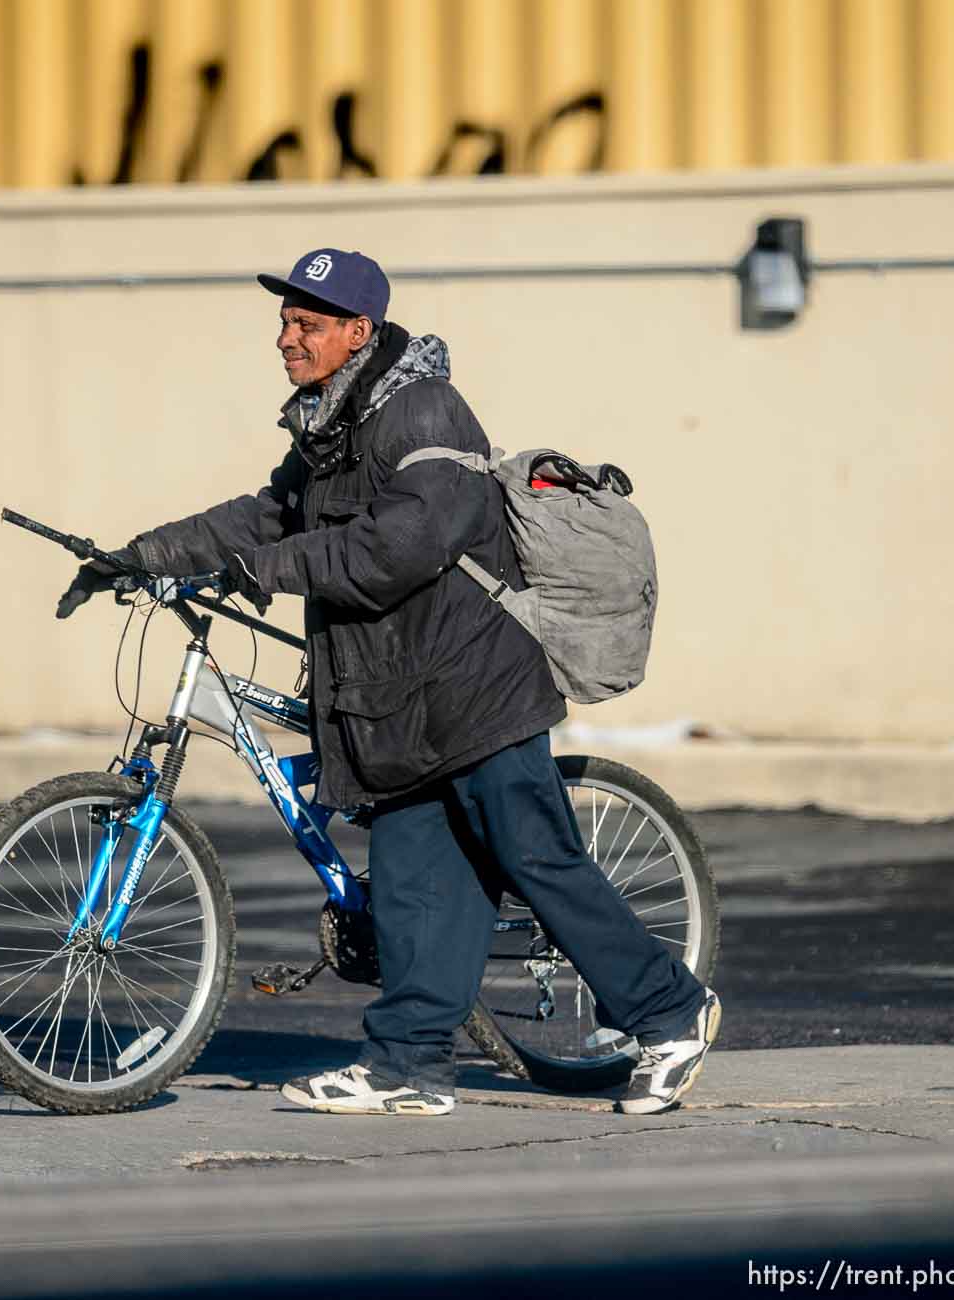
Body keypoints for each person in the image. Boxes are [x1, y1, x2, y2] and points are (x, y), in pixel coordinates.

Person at [58, 248, 720, 1117]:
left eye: (309, 325)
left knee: (537, 859)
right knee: (414, 884)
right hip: (400, 701)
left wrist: (270, 568)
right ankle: (409, 1064)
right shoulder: (330, 424)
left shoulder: (422, 413)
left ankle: (672, 1012)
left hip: (475, 682)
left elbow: (400, 548)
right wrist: (138, 556)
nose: (288, 339)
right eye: (285, 324)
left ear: (359, 332)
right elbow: (264, 514)